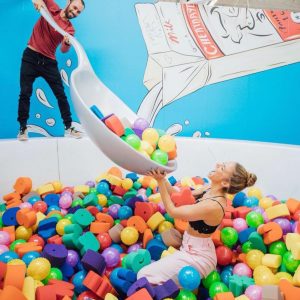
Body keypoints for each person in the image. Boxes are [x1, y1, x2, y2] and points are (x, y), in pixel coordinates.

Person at [137, 162, 257, 285]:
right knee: (148, 277)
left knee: (143, 276)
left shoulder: (213, 206)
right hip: (190, 247)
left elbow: (173, 211)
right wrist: (163, 179)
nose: (217, 164)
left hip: (198, 258)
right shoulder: (209, 189)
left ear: (225, 183)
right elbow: (178, 196)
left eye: (222, 167)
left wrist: (160, 182)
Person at [17, 0, 85, 141]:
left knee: (61, 95)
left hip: (49, 63)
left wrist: (67, 42)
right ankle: (23, 128)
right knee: (25, 93)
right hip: (30, 56)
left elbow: (63, 50)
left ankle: (68, 127)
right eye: (74, 7)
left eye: (78, 12)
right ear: (68, 2)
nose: (75, 12)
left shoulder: (70, 29)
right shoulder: (52, 8)